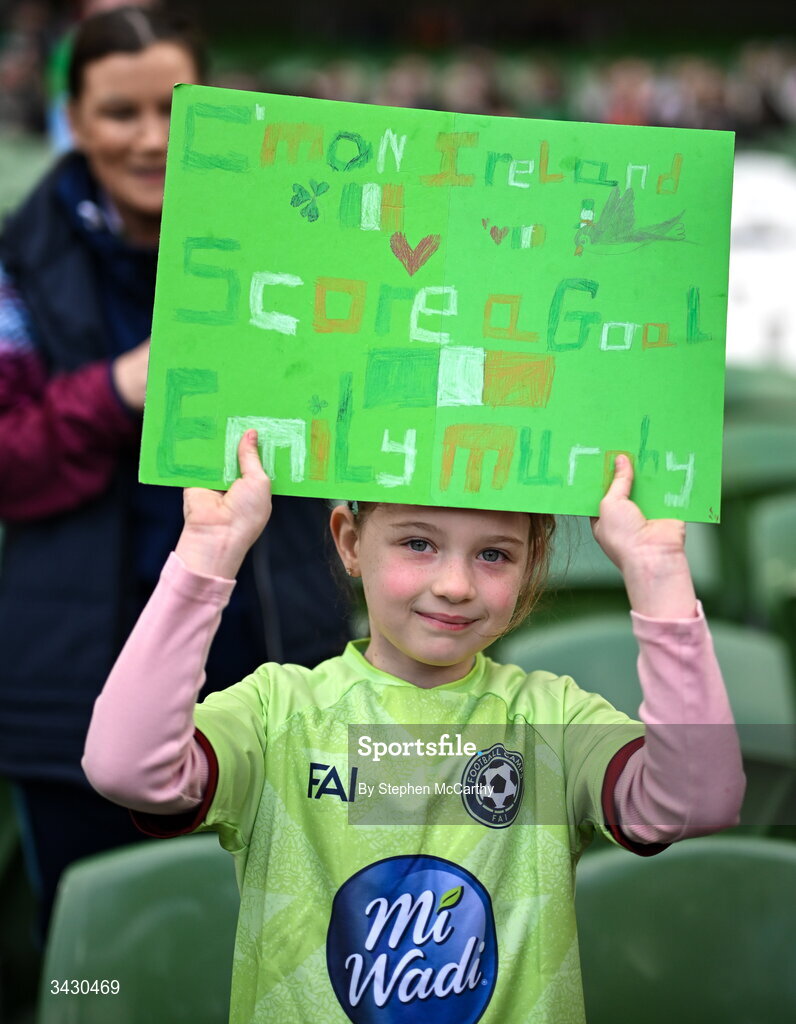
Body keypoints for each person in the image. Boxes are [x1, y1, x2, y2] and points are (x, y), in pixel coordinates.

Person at [83, 432, 745, 1024]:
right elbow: (124, 766)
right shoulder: (276, 712)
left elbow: (701, 800)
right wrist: (205, 558)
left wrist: (658, 579)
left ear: (533, 562)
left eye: (494, 555)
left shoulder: (552, 721)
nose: (455, 584)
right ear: (349, 541)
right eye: (418, 543)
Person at [0, 8, 349, 935]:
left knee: (284, 950)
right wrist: (123, 388)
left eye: (176, 108)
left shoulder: (300, 250)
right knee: (94, 955)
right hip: (75, 683)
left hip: (271, 665)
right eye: (121, 113)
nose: (152, 139)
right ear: (73, 116)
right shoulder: (14, 261)